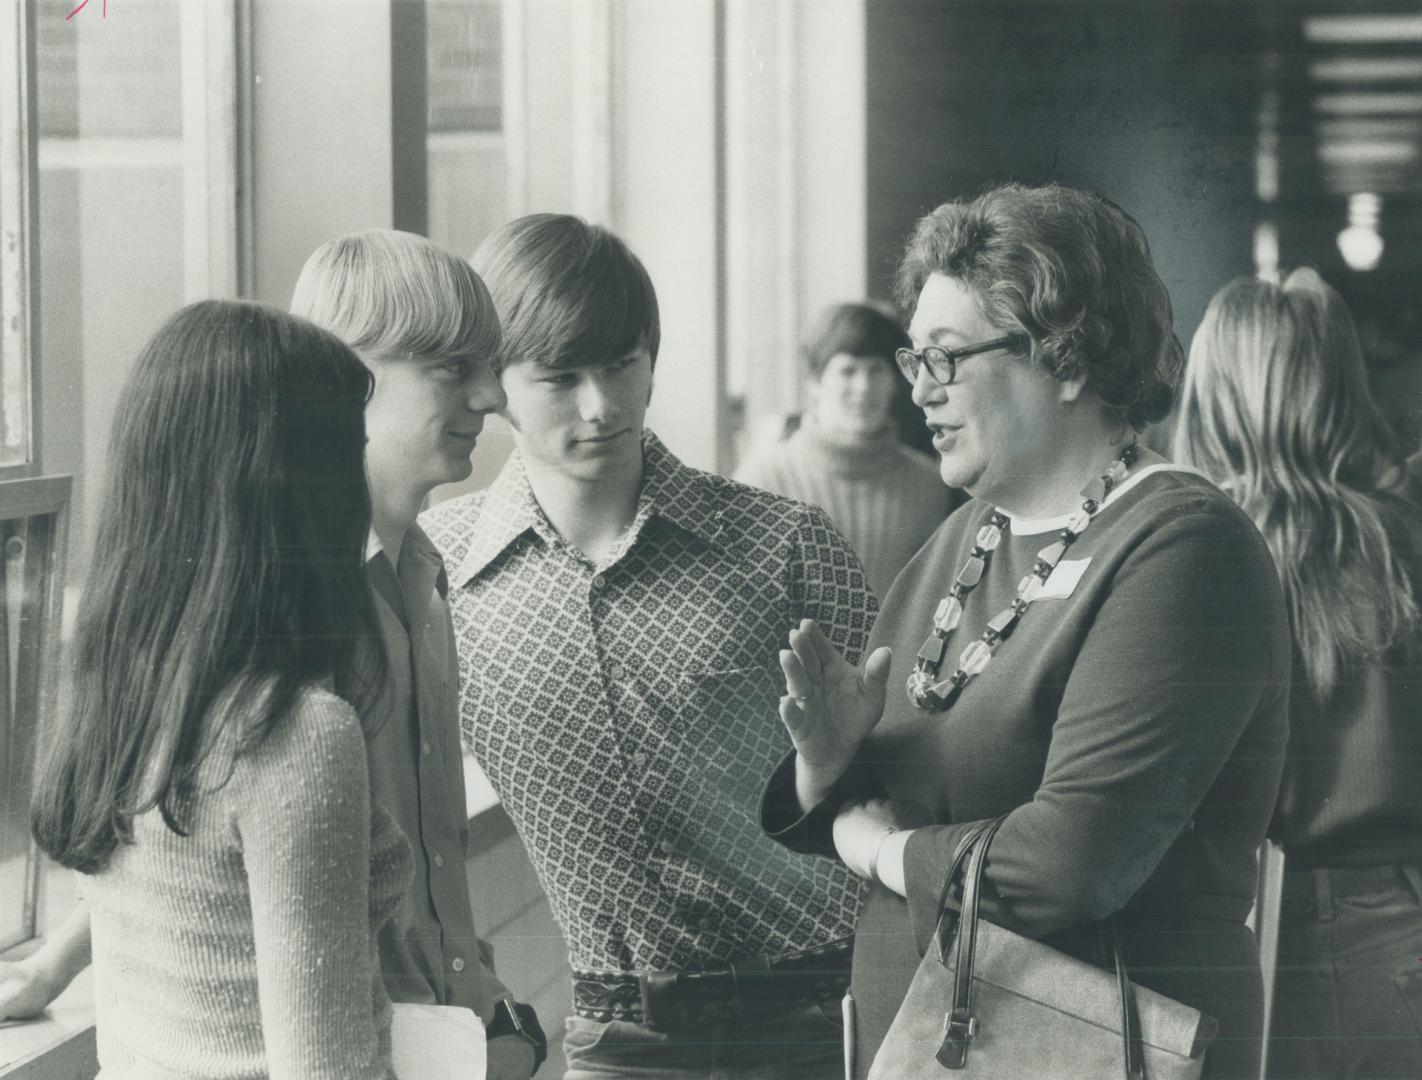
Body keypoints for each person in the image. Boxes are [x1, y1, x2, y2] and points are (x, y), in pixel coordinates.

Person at [761, 183, 1291, 1079]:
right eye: (913, 357)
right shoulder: (970, 533)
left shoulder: (1184, 548)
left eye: (949, 357)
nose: (918, 391)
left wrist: (875, 847)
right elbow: (892, 780)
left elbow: (1070, 863)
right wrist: (826, 760)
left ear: (1069, 358)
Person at [5, 231, 546, 1079]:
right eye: (449, 364)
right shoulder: (286, 630)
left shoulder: (428, 575)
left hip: (443, 1033)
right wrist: (56, 962)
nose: (490, 394)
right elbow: (206, 826)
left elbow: (214, 828)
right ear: (347, 377)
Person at [419, 213, 875, 1079]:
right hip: (617, 1037)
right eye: (559, 377)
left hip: (826, 1014)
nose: (603, 406)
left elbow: (908, 781)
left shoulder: (784, 544)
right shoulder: (433, 574)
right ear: (493, 384)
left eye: (623, 364)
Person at [26, 300, 406, 1077]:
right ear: (301, 492)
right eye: (350, 455)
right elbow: (324, 1069)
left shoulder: (124, 690)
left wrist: (46, 972)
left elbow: (171, 889)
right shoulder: (296, 736)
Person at [1175, 268, 1422, 1080]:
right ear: (1337, 385)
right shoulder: (1401, 540)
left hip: (1227, 921)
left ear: (1213, 390)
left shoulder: (1179, 549)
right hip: (1399, 916)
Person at [736, 302, 958, 598]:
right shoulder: (762, 481)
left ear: (894, 382)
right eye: (847, 371)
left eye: (876, 370)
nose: (864, 386)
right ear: (815, 383)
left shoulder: (930, 484)